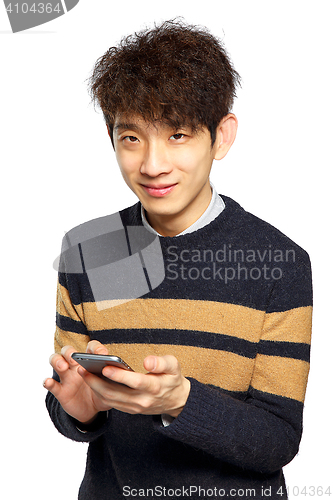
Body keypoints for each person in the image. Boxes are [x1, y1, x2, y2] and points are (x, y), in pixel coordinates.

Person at [44, 20, 312, 500]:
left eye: (178, 135)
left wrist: (180, 401)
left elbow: (277, 439)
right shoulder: (90, 249)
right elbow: (70, 411)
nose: (152, 164)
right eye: (132, 139)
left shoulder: (278, 262)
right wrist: (80, 410)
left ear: (221, 137)